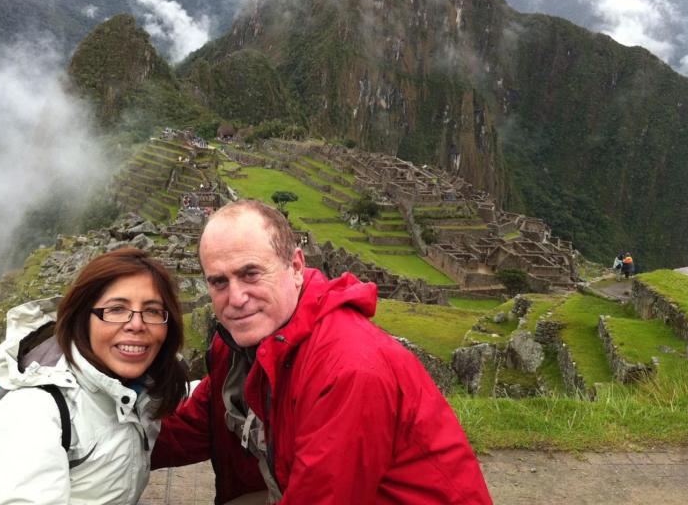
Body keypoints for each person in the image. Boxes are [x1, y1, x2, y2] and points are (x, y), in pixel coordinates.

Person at [152, 200, 491, 504]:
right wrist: (110, 435)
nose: (236, 298)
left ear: (296, 267)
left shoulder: (347, 369)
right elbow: (195, 427)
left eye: (250, 273)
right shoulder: (242, 344)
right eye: (219, 282)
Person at [0, 247, 187, 504]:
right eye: (116, 309)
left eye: (152, 311)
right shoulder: (33, 412)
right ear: (83, 319)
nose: (136, 324)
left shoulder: (139, 392)